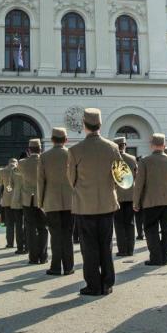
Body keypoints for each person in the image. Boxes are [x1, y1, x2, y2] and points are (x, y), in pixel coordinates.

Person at [68, 108, 124, 296]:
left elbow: (71, 179)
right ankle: (107, 283)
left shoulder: (75, 150)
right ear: (100, 124)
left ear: (84, 125)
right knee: (106, 246)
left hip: (85, 206)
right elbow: (120, 177)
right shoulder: (113, 148)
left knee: (89, 248)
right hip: (107, 204)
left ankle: (93, 284)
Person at [133, 134, 167, 266]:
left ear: (151, 145)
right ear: (164, 144)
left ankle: (156, 258)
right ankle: (165, 257)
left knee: (151, 230)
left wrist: (136, 202)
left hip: (150, 202)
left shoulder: (144, 162)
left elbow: (139, 184)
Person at [39, 127, 75, 276]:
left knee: (55, 235)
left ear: (52, 140)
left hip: (51, 201)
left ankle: (55, 267)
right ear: (66, 140)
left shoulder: (44, 157)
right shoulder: (72, 155)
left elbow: (40, 181)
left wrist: (40, 202)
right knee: (68, 235)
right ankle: (69, 267)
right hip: (70, 201)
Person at [18, 138, 49, 265]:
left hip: (27, 199)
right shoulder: (45, 161)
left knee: (30, 228)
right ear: (40, 149)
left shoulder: (22, 162)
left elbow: (19, 174)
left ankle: (33, 257)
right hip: (42, 198)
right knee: (43, 228)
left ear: (29, 150)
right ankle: (43, 256)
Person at [112, 137, 138, 257]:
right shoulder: (132, 159)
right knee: (130, 223)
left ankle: (122, 249)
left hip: (117, 196)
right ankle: (130, 249)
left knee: (119, 224)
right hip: (130, 195)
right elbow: (136, 176)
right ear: (125, 145)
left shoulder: (113, 159)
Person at [8, 159, 27, 254]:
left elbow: (9, 185)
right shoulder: (27, 169)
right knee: (28, 223)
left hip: (16, 199)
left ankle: (20, 247)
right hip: (27, 198)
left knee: (18, 225)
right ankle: (27, 246)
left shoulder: (14, 171)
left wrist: (8, 192)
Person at [0, 164, 15, 247]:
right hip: (19, 200)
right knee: (20, 223)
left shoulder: (3, 171)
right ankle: (22, 244)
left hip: (7, 200)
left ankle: (10, 243)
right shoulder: (19, 169)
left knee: (9, 223)